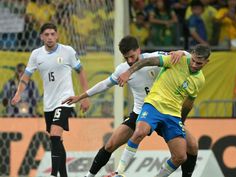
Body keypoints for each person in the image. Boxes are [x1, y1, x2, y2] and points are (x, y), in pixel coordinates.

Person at [62, 35, 199, 177]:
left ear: (139, 50)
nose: (130, 61)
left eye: (132, 56)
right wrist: (81, 96)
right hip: (141, 113)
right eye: (126, 57)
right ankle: (89, 176)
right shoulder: (122, 69)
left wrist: (181, 52)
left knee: (192, 146)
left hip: (165, 111)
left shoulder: (155, 58)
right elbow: (104, 84)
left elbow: (191, 58)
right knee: (110, 145)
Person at [115, 44, 211, 177]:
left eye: (199, 63)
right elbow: (147, 61)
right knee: (139, 132)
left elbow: (189, 104)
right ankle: (119, 172)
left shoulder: (200, 80)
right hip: (154, 104)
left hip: (173, 115)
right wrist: (128, 72)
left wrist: (181, 122)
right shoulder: (177, 59)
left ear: (207, 62)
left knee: (180, 157)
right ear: (191, 55)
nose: (194, 64)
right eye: (193, 60)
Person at [11, 22, 90, 177]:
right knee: (57, 140)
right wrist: (18, 93)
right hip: (49, 103)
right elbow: (26, 76)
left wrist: (84, 96)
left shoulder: (67, 51)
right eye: (46, 34)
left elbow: (80, 71)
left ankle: (53, 174)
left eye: (52, 34)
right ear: (41, 37)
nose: (50, 37)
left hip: (65, 99)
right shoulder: (36, 55)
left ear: (57, 35)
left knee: (54, 134)